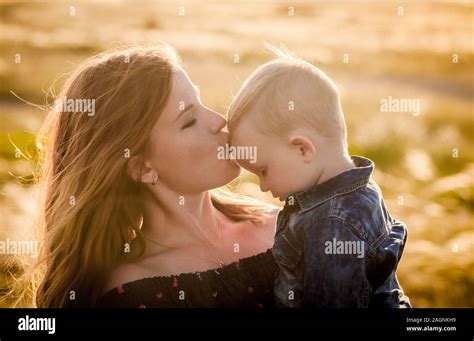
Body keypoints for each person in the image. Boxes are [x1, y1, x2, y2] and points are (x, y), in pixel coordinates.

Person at [14, 44, 279, 308]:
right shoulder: (130, 293)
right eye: (189, 121)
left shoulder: (284, 224)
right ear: (142, 168)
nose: (219, 120)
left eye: (201, 102)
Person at [227, 46, 411, 308]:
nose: (264, 186)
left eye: (263, 171)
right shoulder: (363, 189)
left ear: (303, 149)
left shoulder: (332, 223)